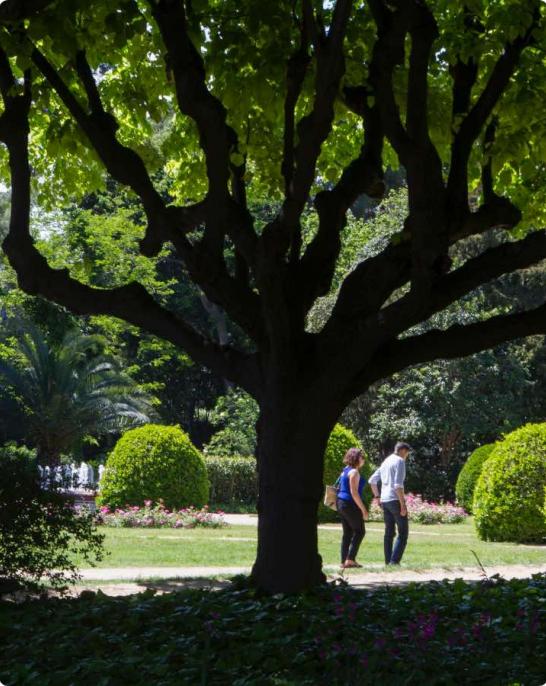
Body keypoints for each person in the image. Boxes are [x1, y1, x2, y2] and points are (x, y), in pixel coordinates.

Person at [369, 442, 411, 565]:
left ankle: (388, 561)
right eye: (407, 454)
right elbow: (398, 485)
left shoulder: (386, 461)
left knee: (389, 533)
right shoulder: (399, 461)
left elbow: (372, 481)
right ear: (403, 450)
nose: (406, 457)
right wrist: (403, 504)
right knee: (403, 532)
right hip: (394, 499)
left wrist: (377, 497)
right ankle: (394, 561)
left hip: (384, 500)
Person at [336, 447, 369, 569]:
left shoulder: (345, 470)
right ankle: (350, 559)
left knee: (347, 533)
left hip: (341, 503)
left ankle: (343, 561)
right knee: (360, 531)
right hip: (349, 504)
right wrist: (363, 509)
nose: (363, 459)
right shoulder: (354, 472)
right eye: (362, 457)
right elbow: (354, 493)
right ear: (356, 458)